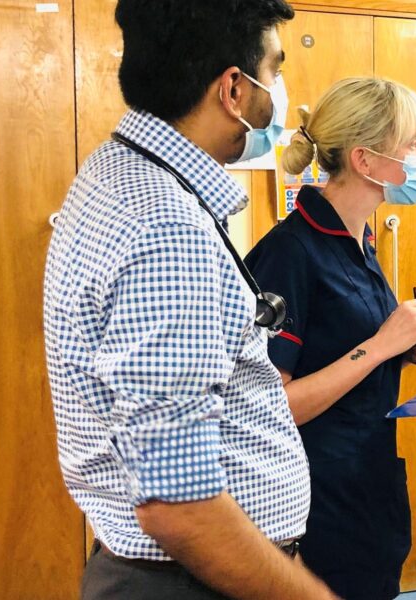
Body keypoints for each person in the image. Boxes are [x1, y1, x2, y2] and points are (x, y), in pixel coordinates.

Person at [43, 1, 336, 598]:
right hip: (191, 576)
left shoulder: (118, 172)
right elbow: (179, 505)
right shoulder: (166, 228)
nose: (278, 95)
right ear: (233, 88)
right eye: (275, 72)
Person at [244, 76, 416, 600]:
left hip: (368, 483)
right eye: (413, 144)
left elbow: (341, 349)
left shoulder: (360, 239)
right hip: (317, 498)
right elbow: (272, 404)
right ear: (365, 159)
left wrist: (406, 350)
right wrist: (379, 345)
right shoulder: (290, 253)